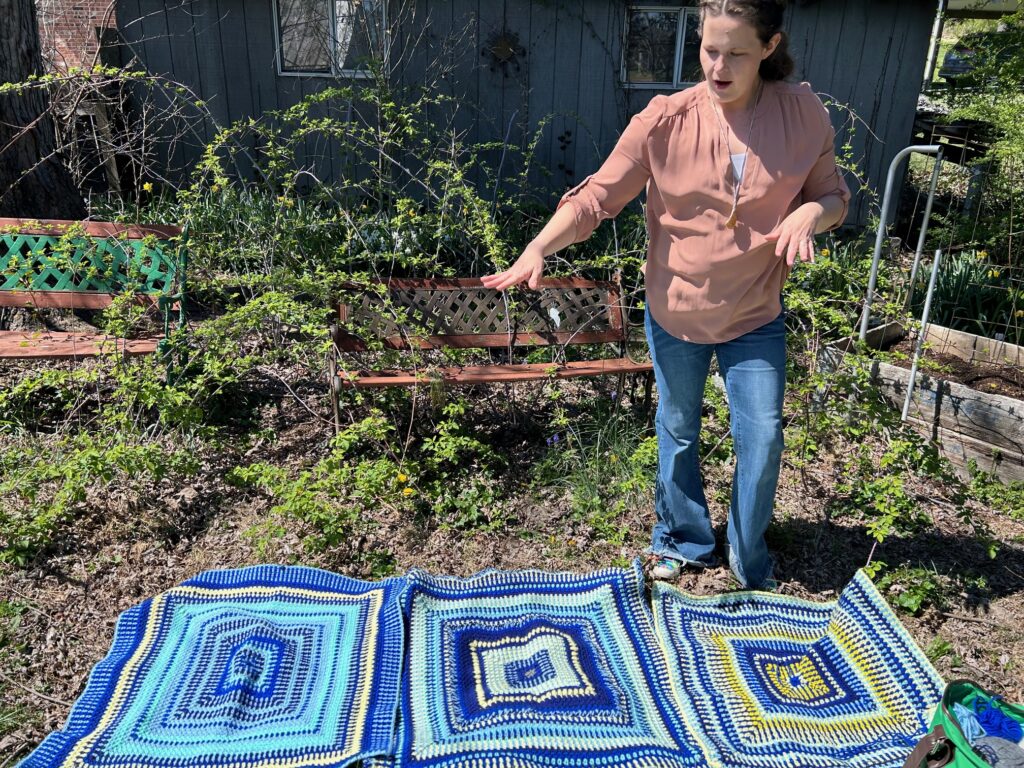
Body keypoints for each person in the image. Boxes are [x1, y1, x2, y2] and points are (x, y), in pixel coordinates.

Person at [481, 0, 850, 590]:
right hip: (674, 312)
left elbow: (834, 197)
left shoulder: (802, 116)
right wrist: (539, 248)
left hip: (755, 313)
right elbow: (596, 198)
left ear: (770, 48)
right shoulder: (664, 120)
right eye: (708, 49)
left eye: (736, 53)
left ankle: (748, 560)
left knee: (762, 433)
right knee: (678, 428)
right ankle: (684, 539)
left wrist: (812, 212)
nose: (718, 66)